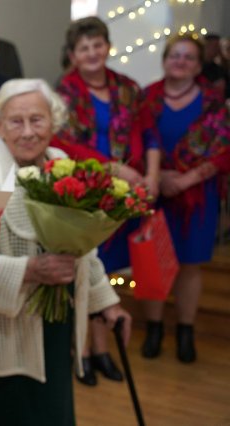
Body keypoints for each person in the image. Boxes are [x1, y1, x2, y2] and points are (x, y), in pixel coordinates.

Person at [0, 78, 132, 426]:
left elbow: (84, 250)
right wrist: (30, 270)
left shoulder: (63, 167)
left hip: (57, 328)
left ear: (54, 122)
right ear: (0, 127)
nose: (28, 132)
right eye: (16, 122)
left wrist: (107, 303)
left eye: (37, 120)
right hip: (0, 338)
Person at [52, 16, 160, 386]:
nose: (92, 52)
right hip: (83, 193)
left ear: (108, 47)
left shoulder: (128, 88)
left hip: (125, 195)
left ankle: (101, 349)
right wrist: (113, 167)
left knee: (112, 275)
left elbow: (149, 134)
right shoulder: (64, 92)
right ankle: (81, 352)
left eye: (97, 45)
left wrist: (151, 176)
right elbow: (64, 144)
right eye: (84, 47)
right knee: (86, 269)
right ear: (72, 54)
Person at [142, 34, 230, 363]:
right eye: (174, 55)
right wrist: (160, 178)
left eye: (188, 57)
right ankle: (153, 327)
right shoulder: (147, 98)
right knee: (152, 261)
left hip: (197, 196)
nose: (180, 61)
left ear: (198, 64)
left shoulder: (213, 102)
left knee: (189, 265)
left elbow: (224, 152)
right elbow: (137, 142)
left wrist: (186, 180)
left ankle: (185, 329)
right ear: (164, 60)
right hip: (154, 191)